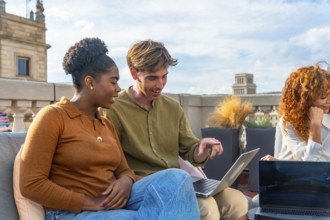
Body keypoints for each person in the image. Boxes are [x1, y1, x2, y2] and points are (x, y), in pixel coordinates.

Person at [19, 37, 200, 220]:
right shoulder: (53, 117)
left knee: (178, 179)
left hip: (112, 205)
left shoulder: (105, 124)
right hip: (72, 213)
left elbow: (124, 170)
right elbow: (31, 184)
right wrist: (90, 203)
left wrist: (126, 181)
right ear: (90, 82)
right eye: (113, 82)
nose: (118, 89)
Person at [103, 39, 249, 220]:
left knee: (237, 199)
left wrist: (201, 148)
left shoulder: (173, 108)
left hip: (181, 182)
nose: (160, 84)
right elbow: (109, 162)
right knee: (206, 207)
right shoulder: (114, 108)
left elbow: (189, 149)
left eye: (164, 76)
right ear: (134, 73)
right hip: (142, 184)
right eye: (152, 78)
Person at [261, 65, 330, 161]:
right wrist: (315, 126)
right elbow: (311, 162)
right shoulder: (289, 121)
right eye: (323, 97)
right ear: (305, 99)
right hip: (294, 174)